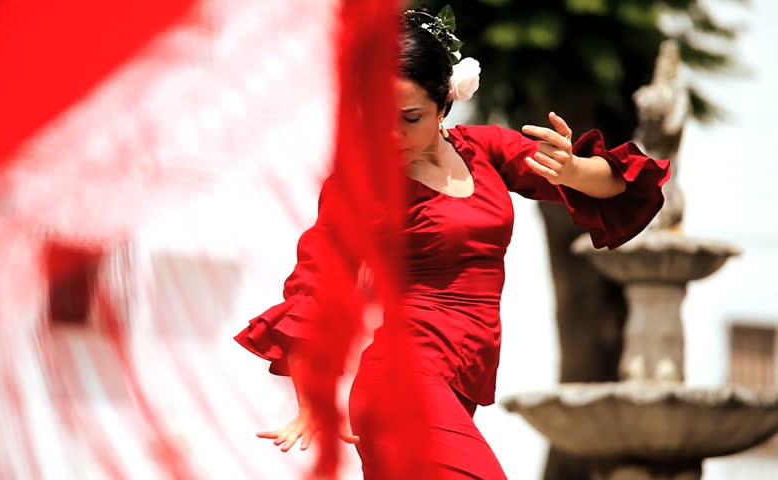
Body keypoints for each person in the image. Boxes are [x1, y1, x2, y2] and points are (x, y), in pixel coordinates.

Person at [234, 8, 670, 480]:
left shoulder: (485, 150)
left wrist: (574, 170)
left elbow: (618, 188)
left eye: (410, 117)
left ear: (445, 104)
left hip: (460, 385)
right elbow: (313, 294)